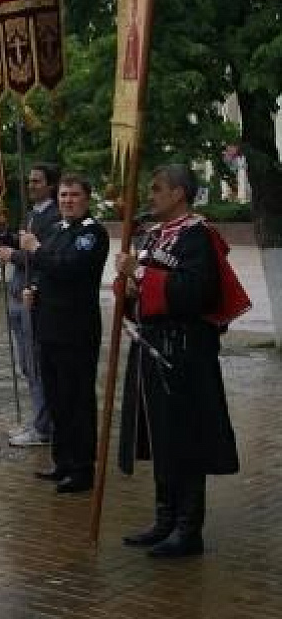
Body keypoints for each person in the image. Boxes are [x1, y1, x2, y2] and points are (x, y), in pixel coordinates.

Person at [116, 165, 246, 557]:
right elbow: (140, 290)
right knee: (161, 434)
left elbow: (197, 292)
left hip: (185, 351)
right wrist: (128, 287)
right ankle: (165, 518)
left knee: (186, 437)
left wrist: (140, 281)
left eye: (157, 189)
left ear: (178, 194)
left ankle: (189, 529)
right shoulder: (153, 235)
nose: (150, 195)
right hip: (153, 346)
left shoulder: (197, 236)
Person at [20, 173, 109, 494]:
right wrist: (34, 291)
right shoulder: (58, 229)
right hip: (49, 326)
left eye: (74, 196)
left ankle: (82, 468)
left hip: (76, 329)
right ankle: (63, 461)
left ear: (87, 199)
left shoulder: (91, 233)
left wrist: (35, 249)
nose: (67, 201)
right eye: (62, 196)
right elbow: (48, 272)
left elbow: (70, 268)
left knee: (77, 400)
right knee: (56, 398)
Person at [0, 162, 61, 447]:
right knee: (27, 364)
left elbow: (44, 257)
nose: (30, 186)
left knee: (36, 365)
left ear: (50, 185)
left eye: (36, 181)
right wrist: (2, 231)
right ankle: (39, 418)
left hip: (34, 297)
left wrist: (14, 256)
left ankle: (43, 426)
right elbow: (20, 244)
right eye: (29, 181)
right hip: (16, 293)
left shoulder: (55, 217)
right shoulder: (32, 213)